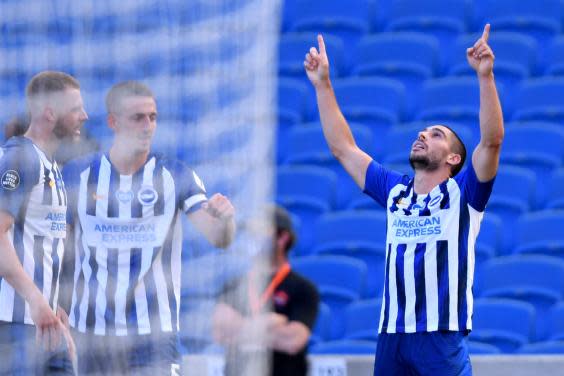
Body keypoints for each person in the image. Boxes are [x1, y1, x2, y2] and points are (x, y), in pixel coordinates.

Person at [304, 24, 503, 375]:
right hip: (392, 336)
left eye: (436, 135)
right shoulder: (395, 191)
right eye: (422, 132)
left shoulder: (465, 195)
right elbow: (343, 149)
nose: (422, 135)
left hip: (438, 336)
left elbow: (491, 142)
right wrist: (323, 85)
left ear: (455, 159)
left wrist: (485, 77)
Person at [59, 80, 236, 375]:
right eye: (137, 117)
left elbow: (219, 238)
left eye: (152, 117)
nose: (147, 126)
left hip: (154, 334)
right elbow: (59, 248)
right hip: (92, 334)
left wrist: (226, 220)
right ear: (113, 122)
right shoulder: (78, 174)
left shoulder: (176, 176)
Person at [0, 71, 87, 375]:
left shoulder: (50, 165)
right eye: (76, 108)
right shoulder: (20, 157)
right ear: (50, 112)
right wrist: (36, 301)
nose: (84, 116)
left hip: (46, 323)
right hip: (14, 324)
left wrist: (56, 309)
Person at [213, 205, 319, 376]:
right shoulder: (232, 285)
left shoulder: (304, 288)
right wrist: (269, 323)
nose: (252, 237)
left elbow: (293, 341)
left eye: (260, 230)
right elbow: (220, 333)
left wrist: (241, 327)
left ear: (282, 238)